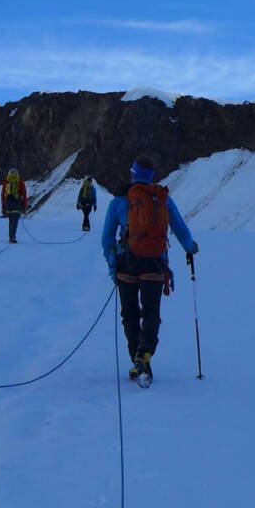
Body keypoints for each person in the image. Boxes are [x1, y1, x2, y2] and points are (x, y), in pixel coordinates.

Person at [101, 157, 198, 385]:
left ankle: (137, 360)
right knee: (151, 311)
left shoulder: (118, 202)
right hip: (155, 264)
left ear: (133, 174)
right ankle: (145, 353)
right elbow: (179, 229)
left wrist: (112, 265)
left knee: (130, 314)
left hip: (127, 264)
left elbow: (107, 239)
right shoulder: (162, 200)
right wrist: (190, 247)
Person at [1, 168, 28, 243]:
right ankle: (12, 237)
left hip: (8, 204)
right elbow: (24, 194)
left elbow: (2, 195)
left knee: (11, 220)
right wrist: (24, 206)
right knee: (15, 221)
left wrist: (3, 207)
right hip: (16, 203)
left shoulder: (6, 182)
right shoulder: (20, 182)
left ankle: (11, 236)